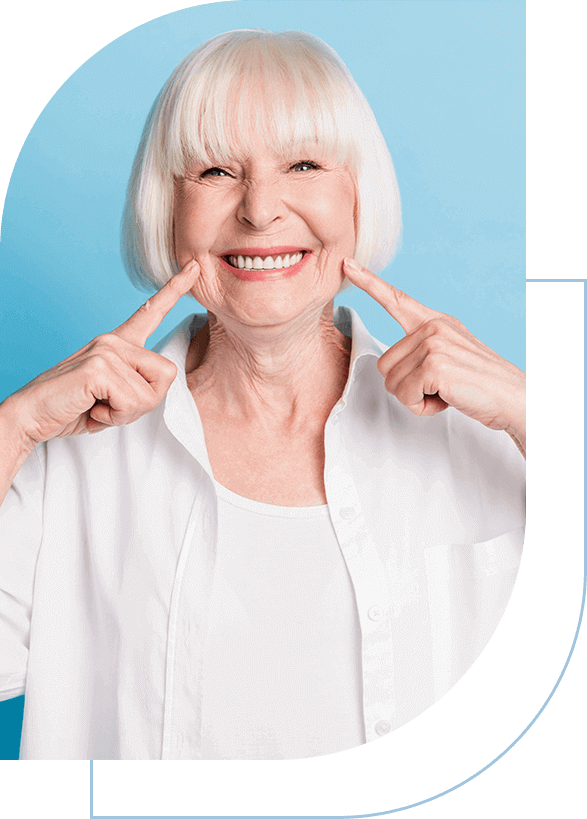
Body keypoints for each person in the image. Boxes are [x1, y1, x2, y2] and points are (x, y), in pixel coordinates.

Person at [0, 29, 525, 760]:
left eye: (303, 163)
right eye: (216, 171)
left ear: (357, 197)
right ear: (168, 207)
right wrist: (14, 425)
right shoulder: (68, 468)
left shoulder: (488, 442)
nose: (259, 210)